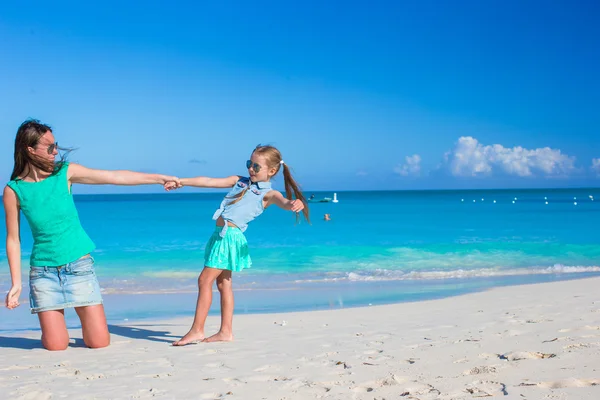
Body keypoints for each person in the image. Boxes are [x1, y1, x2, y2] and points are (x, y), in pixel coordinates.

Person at [3, 119, 180, 351]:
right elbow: (13, 239)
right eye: (49, 147)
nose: (55, 151)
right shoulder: (13, 190)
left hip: (79, 266)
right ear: (29, 149)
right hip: (43, 273)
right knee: (56, 346)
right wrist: (16, 283)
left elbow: (114, 177)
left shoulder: (65, 174)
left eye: (56, 145)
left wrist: (158, 178)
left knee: (98, 342)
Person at [166, 145, 309, 345]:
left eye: (256, 167)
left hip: (229, 238)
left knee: (204, 280)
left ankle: (197, 330)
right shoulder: (239, 181)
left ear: (272, 171)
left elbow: (285, 202)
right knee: (223, 284)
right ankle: (226, 332)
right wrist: (182, 182)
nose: (251, 169)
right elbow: (209, 181)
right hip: (219, 235)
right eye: (249, 164)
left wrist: (296, 204)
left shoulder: (269, 194)